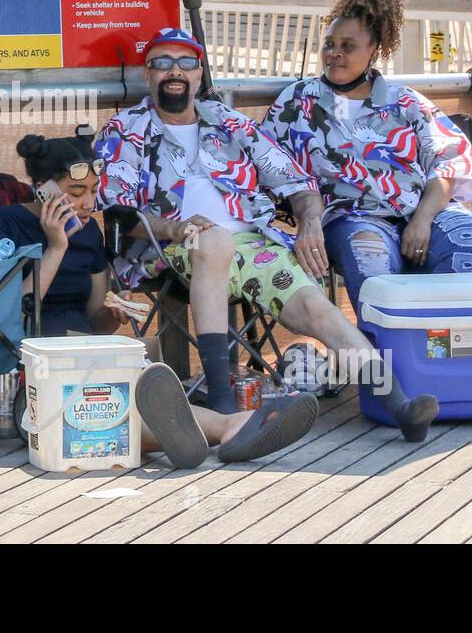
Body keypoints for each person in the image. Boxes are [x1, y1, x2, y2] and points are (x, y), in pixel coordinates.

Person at [95, 26, 440, 442]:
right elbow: (116, 211)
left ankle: (399, 405)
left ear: (199, 72)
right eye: (162, 63)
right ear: (147, 74)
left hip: (255, 244)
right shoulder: (126, 129)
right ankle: (223, 405)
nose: (175, 71)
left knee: (316, 307)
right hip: (171, 245)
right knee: (214, 240)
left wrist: (310, 222)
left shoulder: (229, 122)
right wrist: (175, 227)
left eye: (186, 62)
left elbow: (296, 182)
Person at [0, 132, 316, 467]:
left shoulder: (90, 232)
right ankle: (226, 427)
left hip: (84, 353)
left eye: (94, 191)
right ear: (44, 189)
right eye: (76, 192)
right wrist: (57, 246)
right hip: (33, 368)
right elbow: (7, 315)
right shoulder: (2, 223)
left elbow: (95, 323)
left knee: (118, 389)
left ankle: (206, 431)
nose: (89, 204)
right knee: (105, 400)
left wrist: (112, 313)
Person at [258, 0, 472, 316]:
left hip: (421, 211)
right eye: (329, 44)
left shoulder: (405, 102)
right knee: (370, 261)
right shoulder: (298, 103)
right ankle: (388, 347)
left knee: (471, 239)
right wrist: (305, 214)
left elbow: (447, 162)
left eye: (348, 46)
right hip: (353, 217)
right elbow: (267, 162)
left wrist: (423, 219)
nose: (334, 53)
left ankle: (444, 338)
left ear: (374, 50)